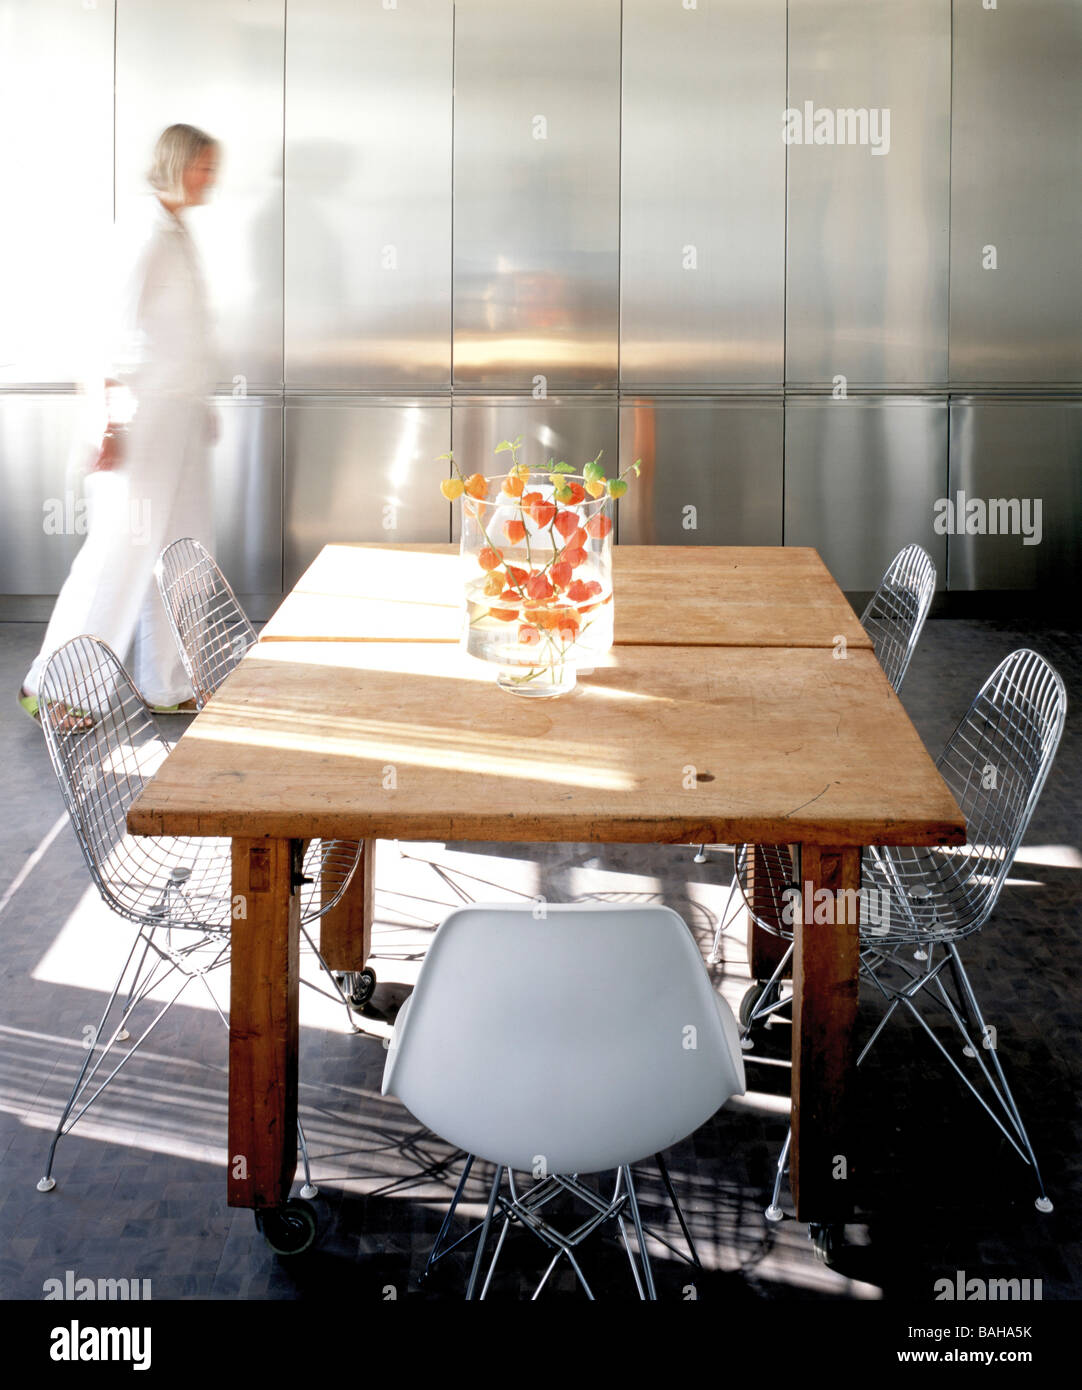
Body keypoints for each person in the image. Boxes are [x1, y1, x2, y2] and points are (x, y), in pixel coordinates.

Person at [19, 124, 220, 728]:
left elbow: (181, 333)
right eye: (203, 166)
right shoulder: (142, 232)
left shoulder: (178, 233)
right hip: (139, 417)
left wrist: (201, 401)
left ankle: (167, 681)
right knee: (120, 552)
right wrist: (106, 423)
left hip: (177, 416)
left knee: (182, 552)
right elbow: (105, 333)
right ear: (176, 164)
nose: (210, 178)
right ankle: (55, 687)